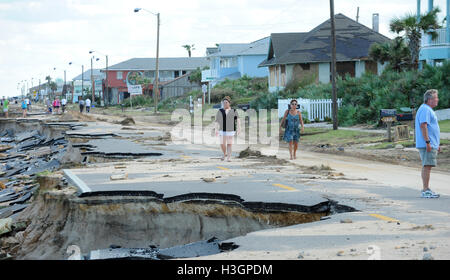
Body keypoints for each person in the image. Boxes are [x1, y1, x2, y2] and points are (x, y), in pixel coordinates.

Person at [415, 89, 441, 198]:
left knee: (427, 166)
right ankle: (425, 190)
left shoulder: (427, 109)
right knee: (427, 166)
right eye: (436, 98)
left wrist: (436, 144)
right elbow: (423, 126)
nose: (437, 100)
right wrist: (428, 142)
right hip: (427, 144)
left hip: (430, 143)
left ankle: (426, 189)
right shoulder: (425, 109)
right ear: (429, 99)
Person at [215, 96, 241, 162]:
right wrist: (216, 129)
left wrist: (239, 128)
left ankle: (228, 157)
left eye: (226, 102)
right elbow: (217, 121)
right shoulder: (220, 111)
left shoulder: (233, 110)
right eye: (224, 103)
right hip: (222, 129)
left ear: (229, 103)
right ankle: (224, 154)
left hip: (231, 129)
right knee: (222, 143)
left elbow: (238, 120)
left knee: (229, 144)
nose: (225, 104)